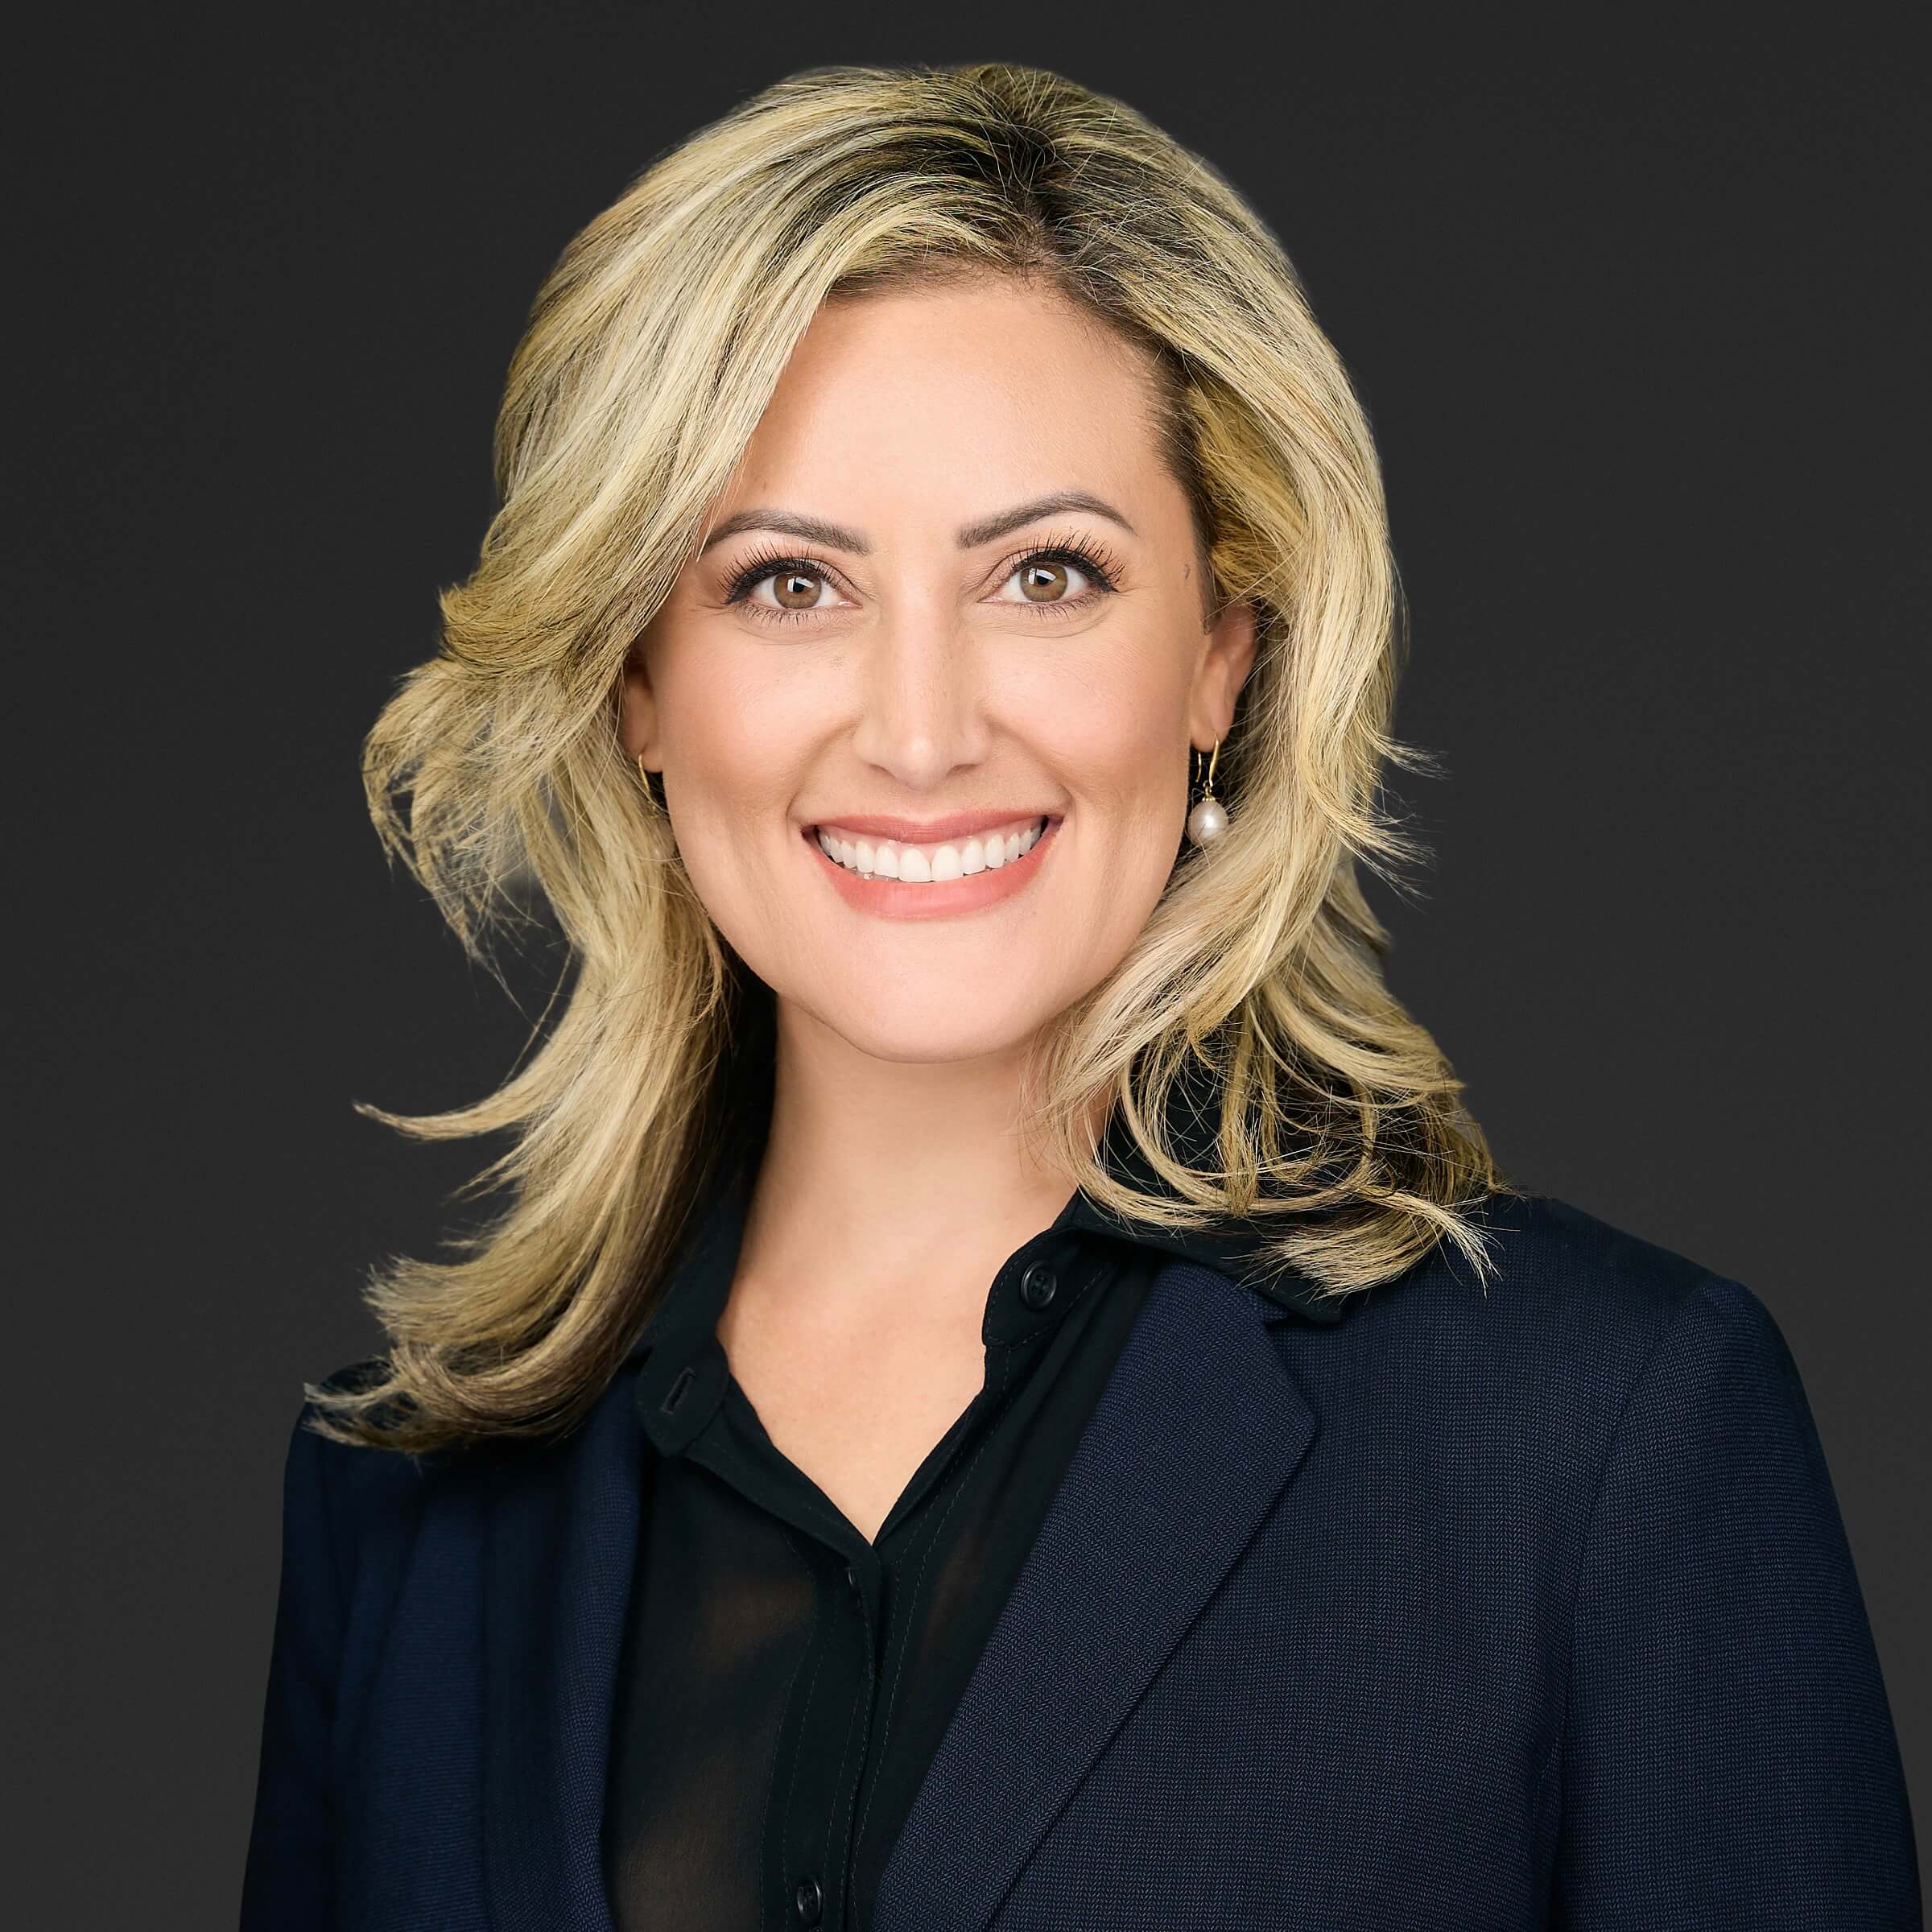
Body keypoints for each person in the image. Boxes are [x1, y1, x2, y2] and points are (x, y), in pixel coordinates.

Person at [239, 60, 1920, 1932]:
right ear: (638, 683)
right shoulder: (402, 1499)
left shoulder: (1598, 1435)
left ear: (1221, 659)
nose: (925, 728)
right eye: (789, 585)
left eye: (1048, 575)